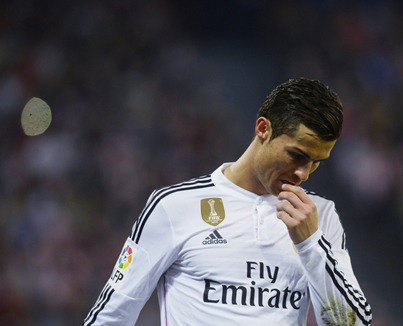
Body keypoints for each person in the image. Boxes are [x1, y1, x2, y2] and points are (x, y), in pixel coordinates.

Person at [84, 78, 372, 326]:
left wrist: (310, 245)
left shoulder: (320, 217)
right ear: (263, 129)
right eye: (296, 155)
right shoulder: (174, 206)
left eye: (316, 162)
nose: (303, 173)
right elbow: (111, 314)